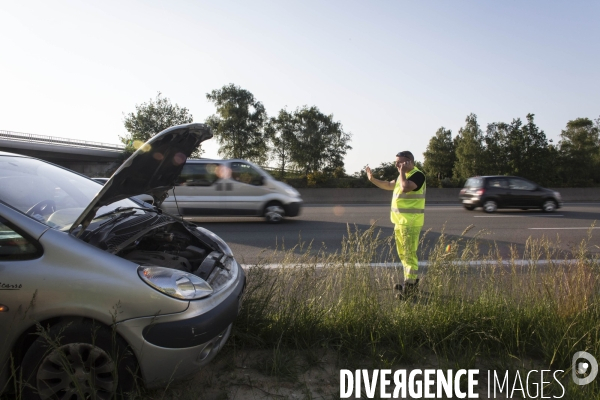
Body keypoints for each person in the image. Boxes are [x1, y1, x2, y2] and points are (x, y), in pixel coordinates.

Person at [366, 151, 426, 297]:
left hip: (410, 223)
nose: (396, 165)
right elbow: (388, 185)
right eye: (396, 162)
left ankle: (410, 289)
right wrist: (372, 179)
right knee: (403, 254)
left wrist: (403, 172)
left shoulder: (418, 175)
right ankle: (409, 281)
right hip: (400, 223)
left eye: (399, 162)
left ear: (409, 162)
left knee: (409, 255)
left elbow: (405, 187)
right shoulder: (402, 175)